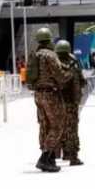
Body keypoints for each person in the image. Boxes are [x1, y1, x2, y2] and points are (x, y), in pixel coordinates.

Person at [30, 27, 68, 173]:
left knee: (45, 125)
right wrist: (69, 73)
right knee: (57, 125)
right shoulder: (50, 55)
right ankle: (44, 157)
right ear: (49, 39)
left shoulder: (36, 55)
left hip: (38, 94)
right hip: (50, 95)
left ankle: (50, 158)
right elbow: (60, 76)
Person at [55, 40, 86, 166]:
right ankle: (72, 156)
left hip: (57, 101)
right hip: (72, 102)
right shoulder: (74, 65)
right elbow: (82, 81)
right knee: (72, 129)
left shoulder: (54, 64)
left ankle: (56, 154)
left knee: (58, 127)